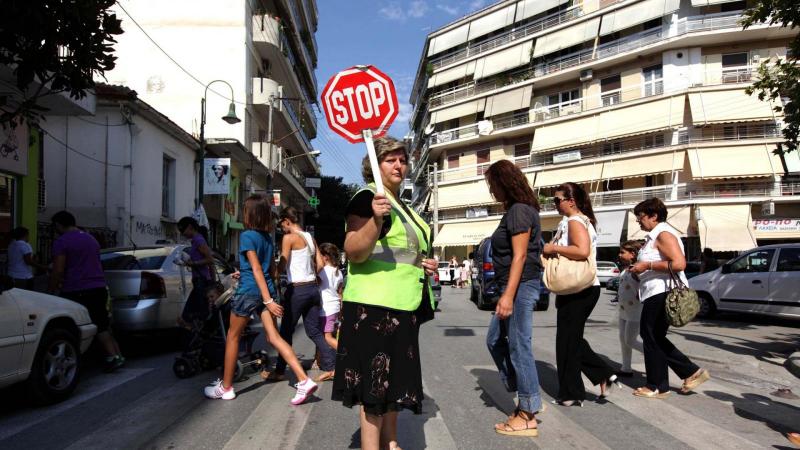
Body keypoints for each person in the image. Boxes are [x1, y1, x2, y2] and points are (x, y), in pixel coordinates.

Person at [332, 136, 437, 450]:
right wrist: (376, 220)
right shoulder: (369, 197)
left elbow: (401, 251)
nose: (399, 165)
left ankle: (391, 444)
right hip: (373, 307)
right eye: (390, 159)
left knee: (391, 388)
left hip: (401, 305)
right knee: (374, 392)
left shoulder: (400, 204)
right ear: (374, 165)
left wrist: (422, 262)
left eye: (402, 159)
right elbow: (353, 250)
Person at [204, 194, 317, 403]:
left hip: (250, 292)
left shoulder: (248, 236)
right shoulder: (267, 237)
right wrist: (270, 296)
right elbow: (271, 268)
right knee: (274, 337)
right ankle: (303, 379)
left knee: (233, 337)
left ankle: (226, 387)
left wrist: (266, 299)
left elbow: (256, 268)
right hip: (267, 290)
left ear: (249, 214)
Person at [542, 182, 618, 406]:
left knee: (567, 342)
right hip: (581, 287)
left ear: (571, 201)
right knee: (570, 340)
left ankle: (574, 393)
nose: (554, 204)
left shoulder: (575, 221)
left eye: (557, 200)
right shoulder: (580, 221)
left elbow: (582, 250)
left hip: (579, 288)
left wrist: (553, 248)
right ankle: (599, 377)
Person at [483, 159, 544, 437]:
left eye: (493, 184)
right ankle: (524, 394)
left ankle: (528, 412)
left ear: (503, 182)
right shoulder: (518, 210)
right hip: (513, 286)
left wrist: (507, 295)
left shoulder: (519, 211)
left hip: (519, 287)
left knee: (519, 346)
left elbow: (520, 255)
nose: (492, 191)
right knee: (495, 340)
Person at [628, 198, 710, 398]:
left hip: (661, 292)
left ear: (653, 216)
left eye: (641, 217)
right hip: (655, 291)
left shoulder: (663, 234)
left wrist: (647, 266)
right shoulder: (655, 235)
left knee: (650, 336)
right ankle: (685, 374)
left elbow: (679, 264)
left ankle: (656, 384)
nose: (639, 222)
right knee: (654, 337)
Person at [48, 211, 124, 372]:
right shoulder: (91, 239)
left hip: (76, 289)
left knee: (72, 325)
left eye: (55, 226)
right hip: (98, 287)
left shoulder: (62, 242)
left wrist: (51, 289)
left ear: (59, 225)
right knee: (102, 324)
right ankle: (116, 356)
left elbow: (58, 270)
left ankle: (79, 358)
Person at [272, 206, 335, 383]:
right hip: (313, 289)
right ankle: (331, 366)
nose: (282, 229)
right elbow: (321, 264)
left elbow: (283, 263)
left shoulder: (289, 238)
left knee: (285, 332)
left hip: (297, 290)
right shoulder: (310, 237)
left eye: (282, 225)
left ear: (287, 221)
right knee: (314, 331)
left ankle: (279, 371)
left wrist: (274, 274)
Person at [177, 217, 215, 324]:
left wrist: (192, 263)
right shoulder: (195, 241)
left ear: (190, 227)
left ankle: (204, 334)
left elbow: (209, 259)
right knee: (194, 312)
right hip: (198, 280)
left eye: (182, 230)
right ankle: (199, 334)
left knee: (196, 313)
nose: (182, 233)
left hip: (201, 281)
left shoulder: (198, 240)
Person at [616, 240, 644, 377]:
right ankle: (626, 368)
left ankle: (655, 355)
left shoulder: (637, 270)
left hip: (635, 312)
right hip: (623, 311)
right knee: (623, 339)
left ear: (633, 254)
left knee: (630, 340)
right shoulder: (626, 269)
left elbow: (643, 288)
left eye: (623, 252)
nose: (619, 255)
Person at [318, 243, 343, 364]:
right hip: (335, 308)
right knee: (324, 335)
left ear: (326, 257)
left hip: (326, 309)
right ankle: (319, 360)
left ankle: (347, 354)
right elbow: (340, 294)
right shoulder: (338, 272)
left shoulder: (322, 272)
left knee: (327, 337)